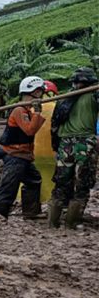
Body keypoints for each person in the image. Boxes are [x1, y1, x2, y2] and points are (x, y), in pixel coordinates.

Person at [49, 68, 99, 228]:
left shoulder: (64, 98)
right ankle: (72, 223)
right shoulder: (93, 94)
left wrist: (55, 146)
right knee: (82, 184)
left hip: (65, 143)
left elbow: (54, 125)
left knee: (61, 183)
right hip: (85, 143)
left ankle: (53, 222)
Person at [0, 76, 47, 218]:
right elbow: (30, 130)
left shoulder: (27, 111)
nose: (42, 95)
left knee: (34, 180)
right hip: (15, 155)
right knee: (9, 187)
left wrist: (36, 113)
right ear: (34, 91)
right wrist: (37, 113)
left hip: (23, 155)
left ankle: (30, 212)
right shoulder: (19, 110)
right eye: (40, 91)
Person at [33, 81, 59, 202]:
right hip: (53, 152)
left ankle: (28, 201)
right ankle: (48, 201)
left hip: (32, 152)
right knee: (51, 180)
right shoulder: (58, 108)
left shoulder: (31, 109)